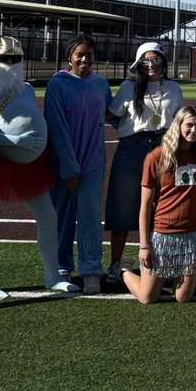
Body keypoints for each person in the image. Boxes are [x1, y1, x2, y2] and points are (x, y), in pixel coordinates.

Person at [0, 36, 78, 298]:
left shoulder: (27, 88)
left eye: (14, 59)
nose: (9, 63)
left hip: (30, 164)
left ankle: (52, 276)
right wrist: (13, 140)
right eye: (3, 59)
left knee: (48, 216)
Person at [104, 42, 184, 283]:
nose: (152, 65)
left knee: (161, 206)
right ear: (139, 64)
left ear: (164, 62)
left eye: (156, 60)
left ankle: (159, 264)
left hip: (164, 147)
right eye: (146, 61)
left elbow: (179, 119)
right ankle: (115, 265)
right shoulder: (129, 87)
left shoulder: (173, 87)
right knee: (123, 204)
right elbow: (112, 114)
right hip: (131, 147)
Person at [121, 105, 196, 304]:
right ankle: (124, 271)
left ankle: (170, 276)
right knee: (147, 298)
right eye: (189, 125)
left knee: (183, 297)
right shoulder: (157, 157)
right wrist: (144, 245)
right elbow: (145, 206)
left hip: (192, 236)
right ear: (178, 125)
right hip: (163, 235)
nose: (193, 131)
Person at [45, 34, 112, 294]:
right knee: (63, 216)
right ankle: (62, 268)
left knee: (90, 215)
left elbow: (112, 113)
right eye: (79, 54)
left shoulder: (100, 84)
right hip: (64, 163)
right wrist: (69, 167)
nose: (85, 59)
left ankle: (91, 269)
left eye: (89, 54)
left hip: (94, 160)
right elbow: (58, 129)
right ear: (69, 57)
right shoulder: (57, 85)